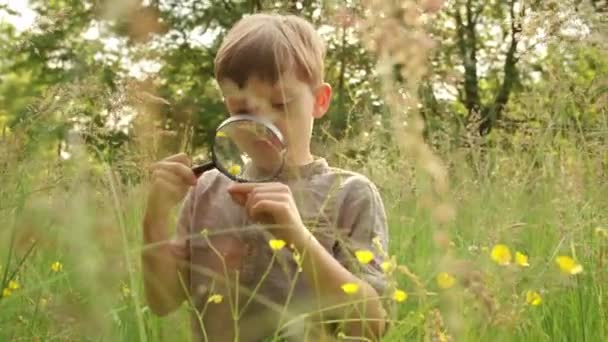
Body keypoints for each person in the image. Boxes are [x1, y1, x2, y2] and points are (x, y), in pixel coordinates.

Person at [142, 12, 390, 342]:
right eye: (242, 109)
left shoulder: (350, 194)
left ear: (319, 101)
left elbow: (371, 325)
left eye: (280, 103)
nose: (261, 123)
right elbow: (163, 302)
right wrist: (154, 220)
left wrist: (297, 237)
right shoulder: (205, 191)